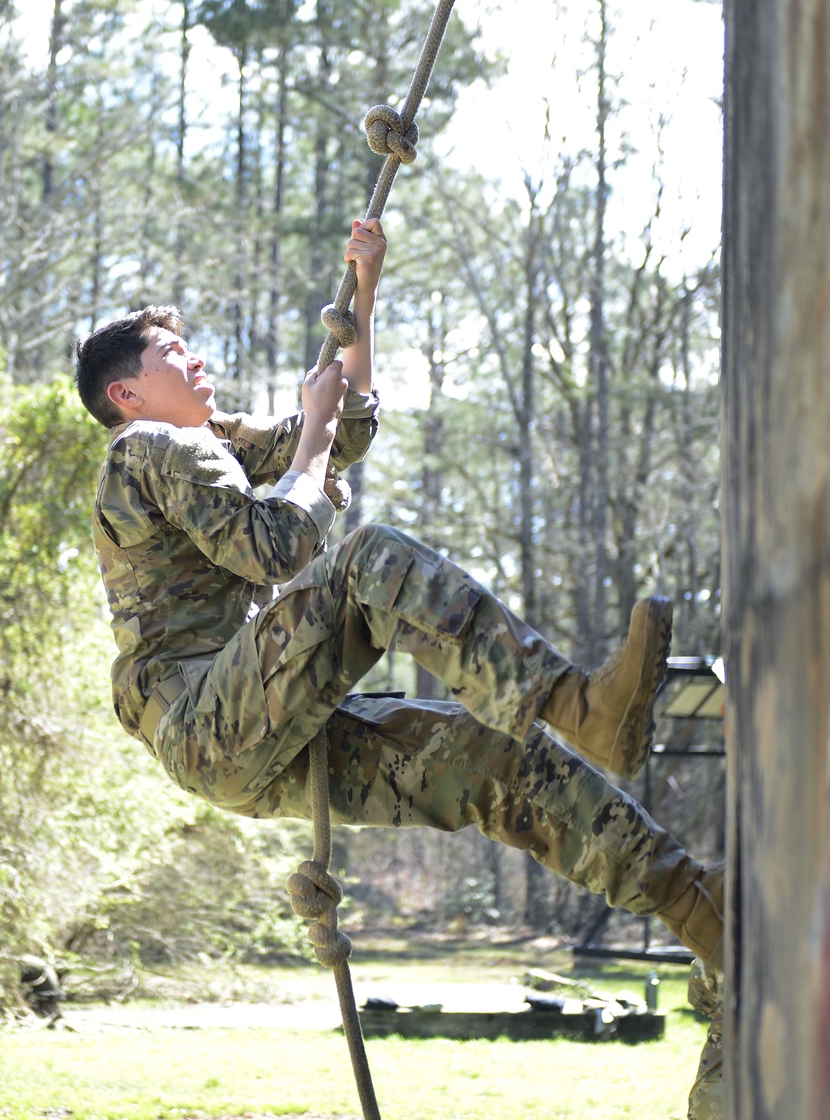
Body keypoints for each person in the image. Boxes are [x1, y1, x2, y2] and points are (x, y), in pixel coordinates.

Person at [74, 217, 723, 968]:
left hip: (248, 719)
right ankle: (579, 707)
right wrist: (314, 430)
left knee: (489, 755)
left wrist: (365, 299)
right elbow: (275, 546)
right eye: (171, 353)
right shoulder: (148, 445)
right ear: (126, 392)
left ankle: (696, 906)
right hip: (210, 721)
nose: (194, 358)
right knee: (367, 560)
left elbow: (335, 439)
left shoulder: (205, 439)